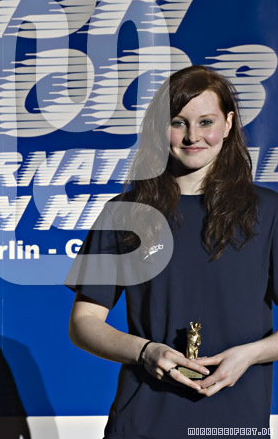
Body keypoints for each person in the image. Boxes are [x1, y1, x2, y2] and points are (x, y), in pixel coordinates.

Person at [66, 65, 278, 439]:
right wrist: (145, 351)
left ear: (228, 124)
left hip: (235, 421)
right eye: (178, 123)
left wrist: (248, 355)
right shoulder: (124, 213)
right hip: (142, 422)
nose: (193, 136)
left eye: (206, 122)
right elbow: (84, 323)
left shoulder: (269, 211)